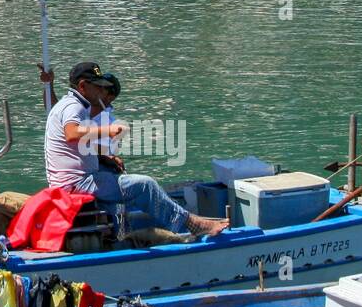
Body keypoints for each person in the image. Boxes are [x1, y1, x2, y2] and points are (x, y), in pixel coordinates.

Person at [45, 61, 227, 238]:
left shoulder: (68, 104)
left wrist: (103, 157)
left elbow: (74, 143)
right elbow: (71, 133)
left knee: (112, 173)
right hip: (78, 184)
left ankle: (116, 235)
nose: (101, 92)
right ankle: (193, 225)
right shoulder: (74, 106)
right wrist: (107, 131)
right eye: (98, 87)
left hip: (75, 180)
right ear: (83, 86)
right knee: (145, 185)